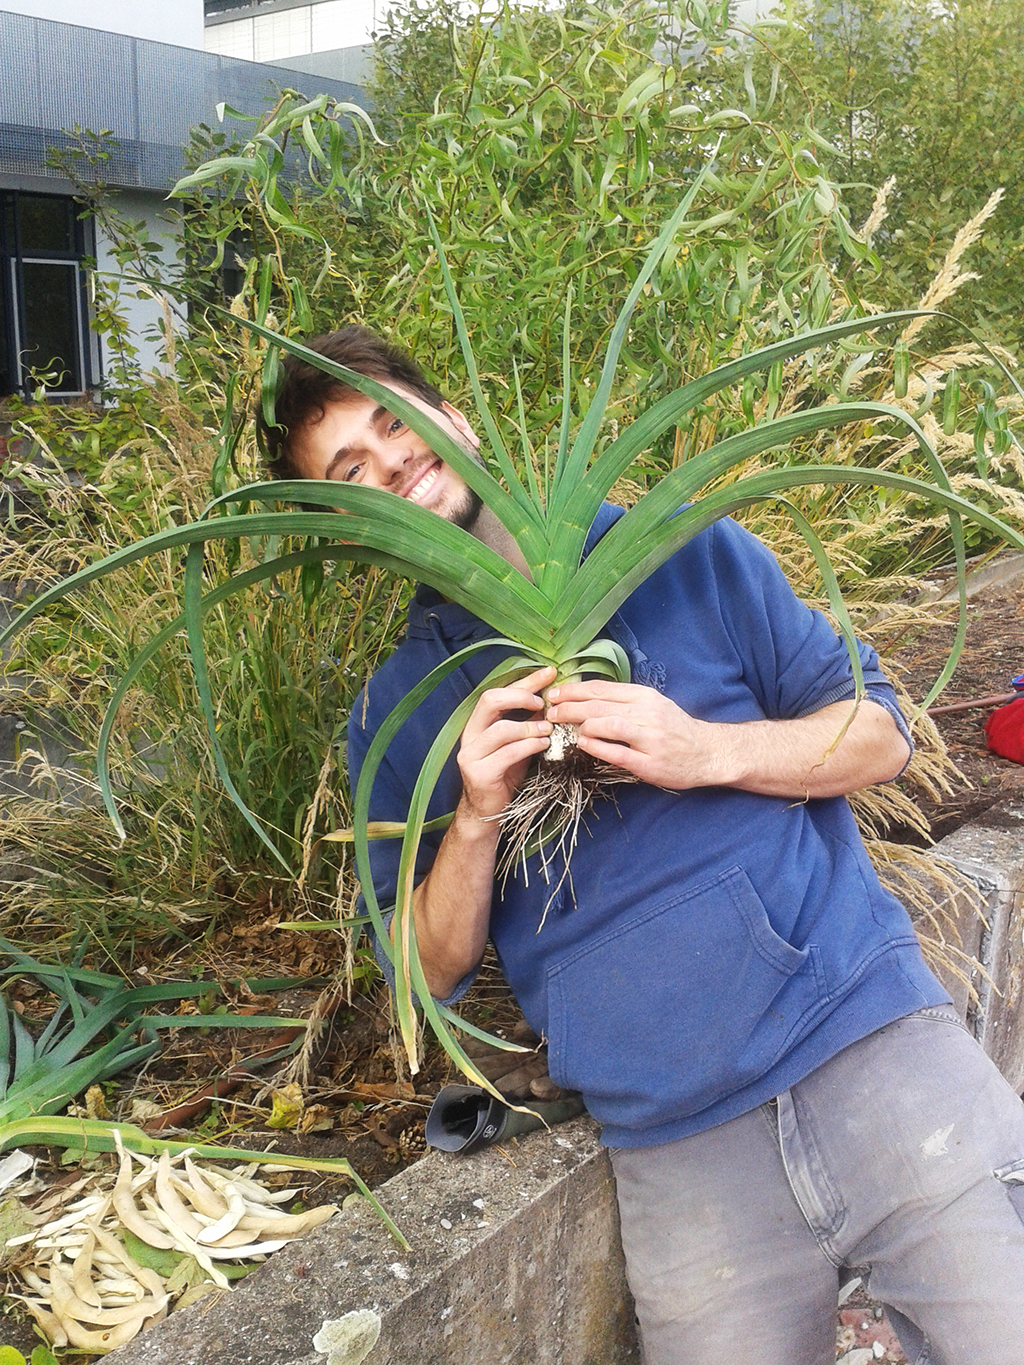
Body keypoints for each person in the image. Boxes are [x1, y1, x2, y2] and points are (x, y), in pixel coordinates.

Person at [261, 325, 1024, 1365]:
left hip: (874, 1050)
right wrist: (480, 808)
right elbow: (418, 972)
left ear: (458, 419)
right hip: (675, 1146)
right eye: (352, 470)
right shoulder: (397, 708)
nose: (392, 461)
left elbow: (880, 735)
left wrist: (704, 748)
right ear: (349, 523)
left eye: (398, 424)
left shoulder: (684, 553)